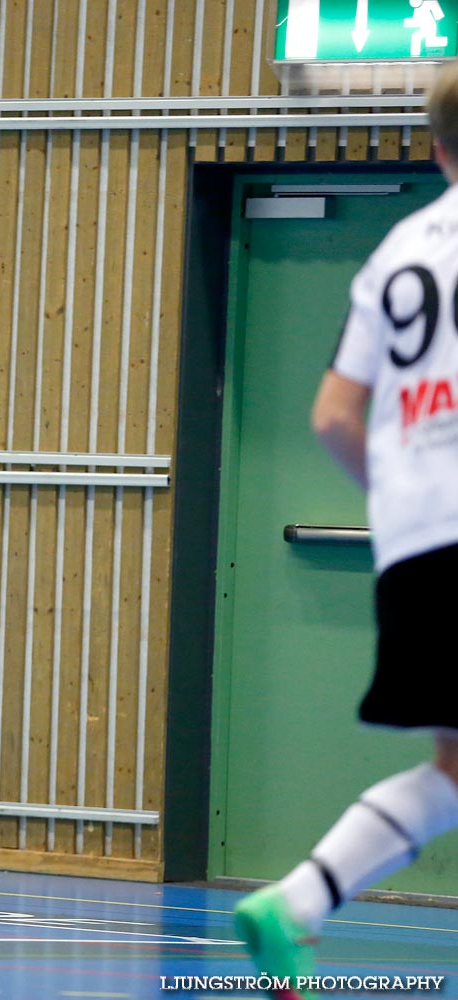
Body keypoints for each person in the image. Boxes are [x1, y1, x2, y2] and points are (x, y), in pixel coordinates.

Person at [233, 61, 458, 997]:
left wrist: (403, 505)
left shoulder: (400, 250)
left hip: (418, 543)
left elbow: (333, 414)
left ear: (439, 148)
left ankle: (300, 902)